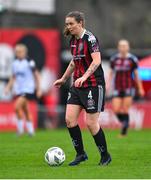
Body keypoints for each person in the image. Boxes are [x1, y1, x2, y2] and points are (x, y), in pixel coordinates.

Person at [54, 11, 111, 166]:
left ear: (80, 23)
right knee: (69, 120)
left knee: (91, 123)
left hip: (93, 84)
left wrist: (84, 77)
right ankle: (81, 154)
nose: (69, 26)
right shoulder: (73, 40)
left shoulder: (90, 39)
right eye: (67, 24)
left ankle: (105, 155)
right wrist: (63, 79)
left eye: (71, 23)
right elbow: (74, 62)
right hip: (77, 86)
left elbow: (97, 61)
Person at [107, 39, 144, 137]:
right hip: (117, 88)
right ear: (118, 47)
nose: (123, 48)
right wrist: (108, 85)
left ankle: (123, 132)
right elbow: (111, 74)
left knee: (124, 110)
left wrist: (140, 88)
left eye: (125, 46)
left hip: (129, 87)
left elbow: (136, 75)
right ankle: (125, 123)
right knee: (116, 110)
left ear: (128, 47)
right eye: (121, 46)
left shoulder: (132, 59)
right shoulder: (114, 59)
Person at [5, 44, 41, 136]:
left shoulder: (29, 62)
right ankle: (31, 131)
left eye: (20, 52)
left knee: (17, 107)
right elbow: (13, 77)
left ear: (25, 52)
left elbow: (36, 75)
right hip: (19, 90)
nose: (18, 53)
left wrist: (39, 89)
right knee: (25, 109)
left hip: (28, 89)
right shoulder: (15, 63)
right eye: (17, 52)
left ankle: (20, 130)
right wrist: (8, 87)